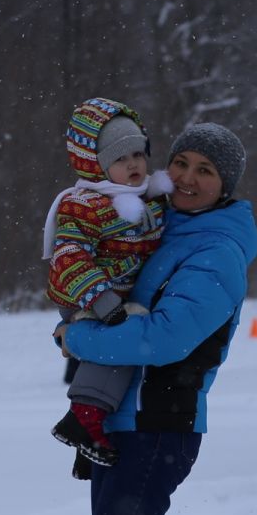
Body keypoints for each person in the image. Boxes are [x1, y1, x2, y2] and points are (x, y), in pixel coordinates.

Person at [56, 122, 257, 515]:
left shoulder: (216, 249)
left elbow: (166, 338)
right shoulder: (162, 228)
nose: (191, 178)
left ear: (227, 187)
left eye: (208, 170)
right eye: (183, 162)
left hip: (159, 425)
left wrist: (78, 341)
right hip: (133, 422)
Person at [43, 96, 173, 470]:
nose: (133, 164)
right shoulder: (85, 204)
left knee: (126, 347)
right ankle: (83, 416)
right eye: (119, 158)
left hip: (115, 292)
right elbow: (69, 257)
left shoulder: (149, 197)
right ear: (96, 165)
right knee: (118, 345)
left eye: (137, 153)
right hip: (84, 291)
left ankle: (88, 433)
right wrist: (101, 300)